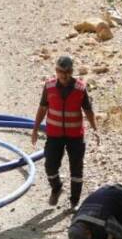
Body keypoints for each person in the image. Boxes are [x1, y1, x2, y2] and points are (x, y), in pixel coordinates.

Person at [32, 55, 99, 209]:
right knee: (50, 166)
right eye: (61, 71)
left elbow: (88, 110)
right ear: (56, 71)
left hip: (75, 137)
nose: (64, 75)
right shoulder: (49, 86)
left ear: (72, 71)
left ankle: (74, 201)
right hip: (54, 136)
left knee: (76, 169)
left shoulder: (80, 88)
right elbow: (42, 108)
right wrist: (35, 129)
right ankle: (56, 188)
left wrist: (95, 129)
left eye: (68, 71)